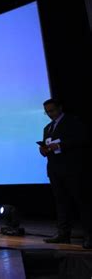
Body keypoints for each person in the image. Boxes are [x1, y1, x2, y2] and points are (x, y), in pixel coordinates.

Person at [39, 99, 91, 249]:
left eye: (52, 110)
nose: (50, 114)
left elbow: (83, 140)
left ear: (60, 108)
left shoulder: (72, 122)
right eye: (47, 112)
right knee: (61, 203)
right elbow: (47, 145)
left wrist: (61, 145)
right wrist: (43, 150)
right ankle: (63, 234)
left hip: (73, 169)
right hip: (55, 170)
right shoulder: (48, 128)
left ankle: (89, 235)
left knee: (82, 203)